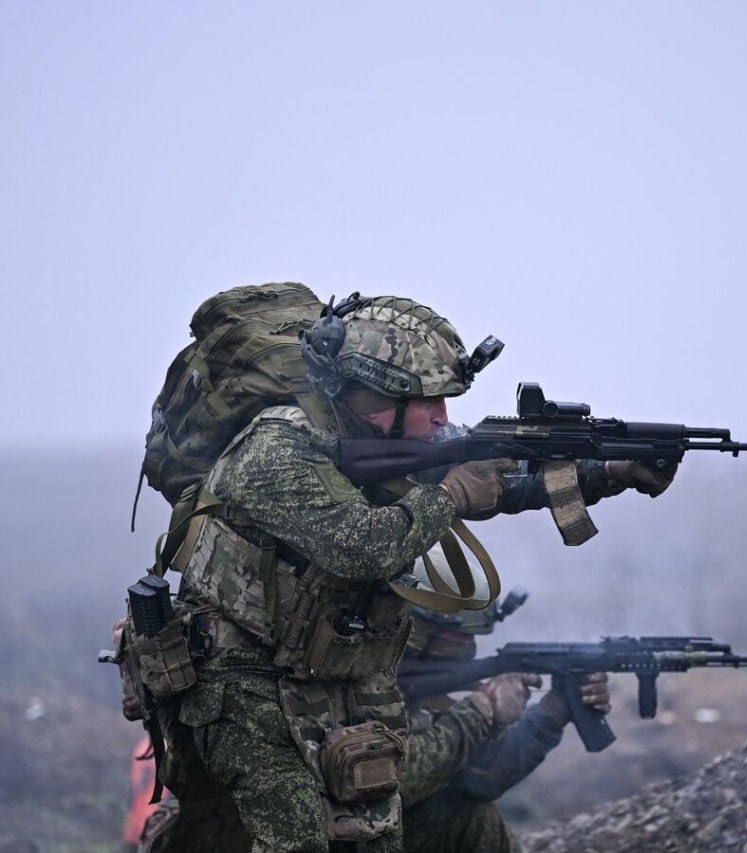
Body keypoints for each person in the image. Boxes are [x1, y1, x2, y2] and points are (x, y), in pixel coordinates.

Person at [163, 295, 675, 852]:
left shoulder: (387, 440)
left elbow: (500, 483)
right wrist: (450, 495)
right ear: (373, 397)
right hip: (242, 675)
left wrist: (609, 472)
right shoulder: (274, 451)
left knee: (376, 833)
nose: (442, 418)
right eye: (427, 401)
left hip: (338, 670)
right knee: (294, 838)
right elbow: (361, 547)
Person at [396, 593, 610, 853]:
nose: (466, 646)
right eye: (456, 636)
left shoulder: (422, 695)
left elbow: (479, 780)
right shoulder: (358, 683)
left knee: (474, 816)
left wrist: (553, 711)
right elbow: (393, 782)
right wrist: (479, 711)